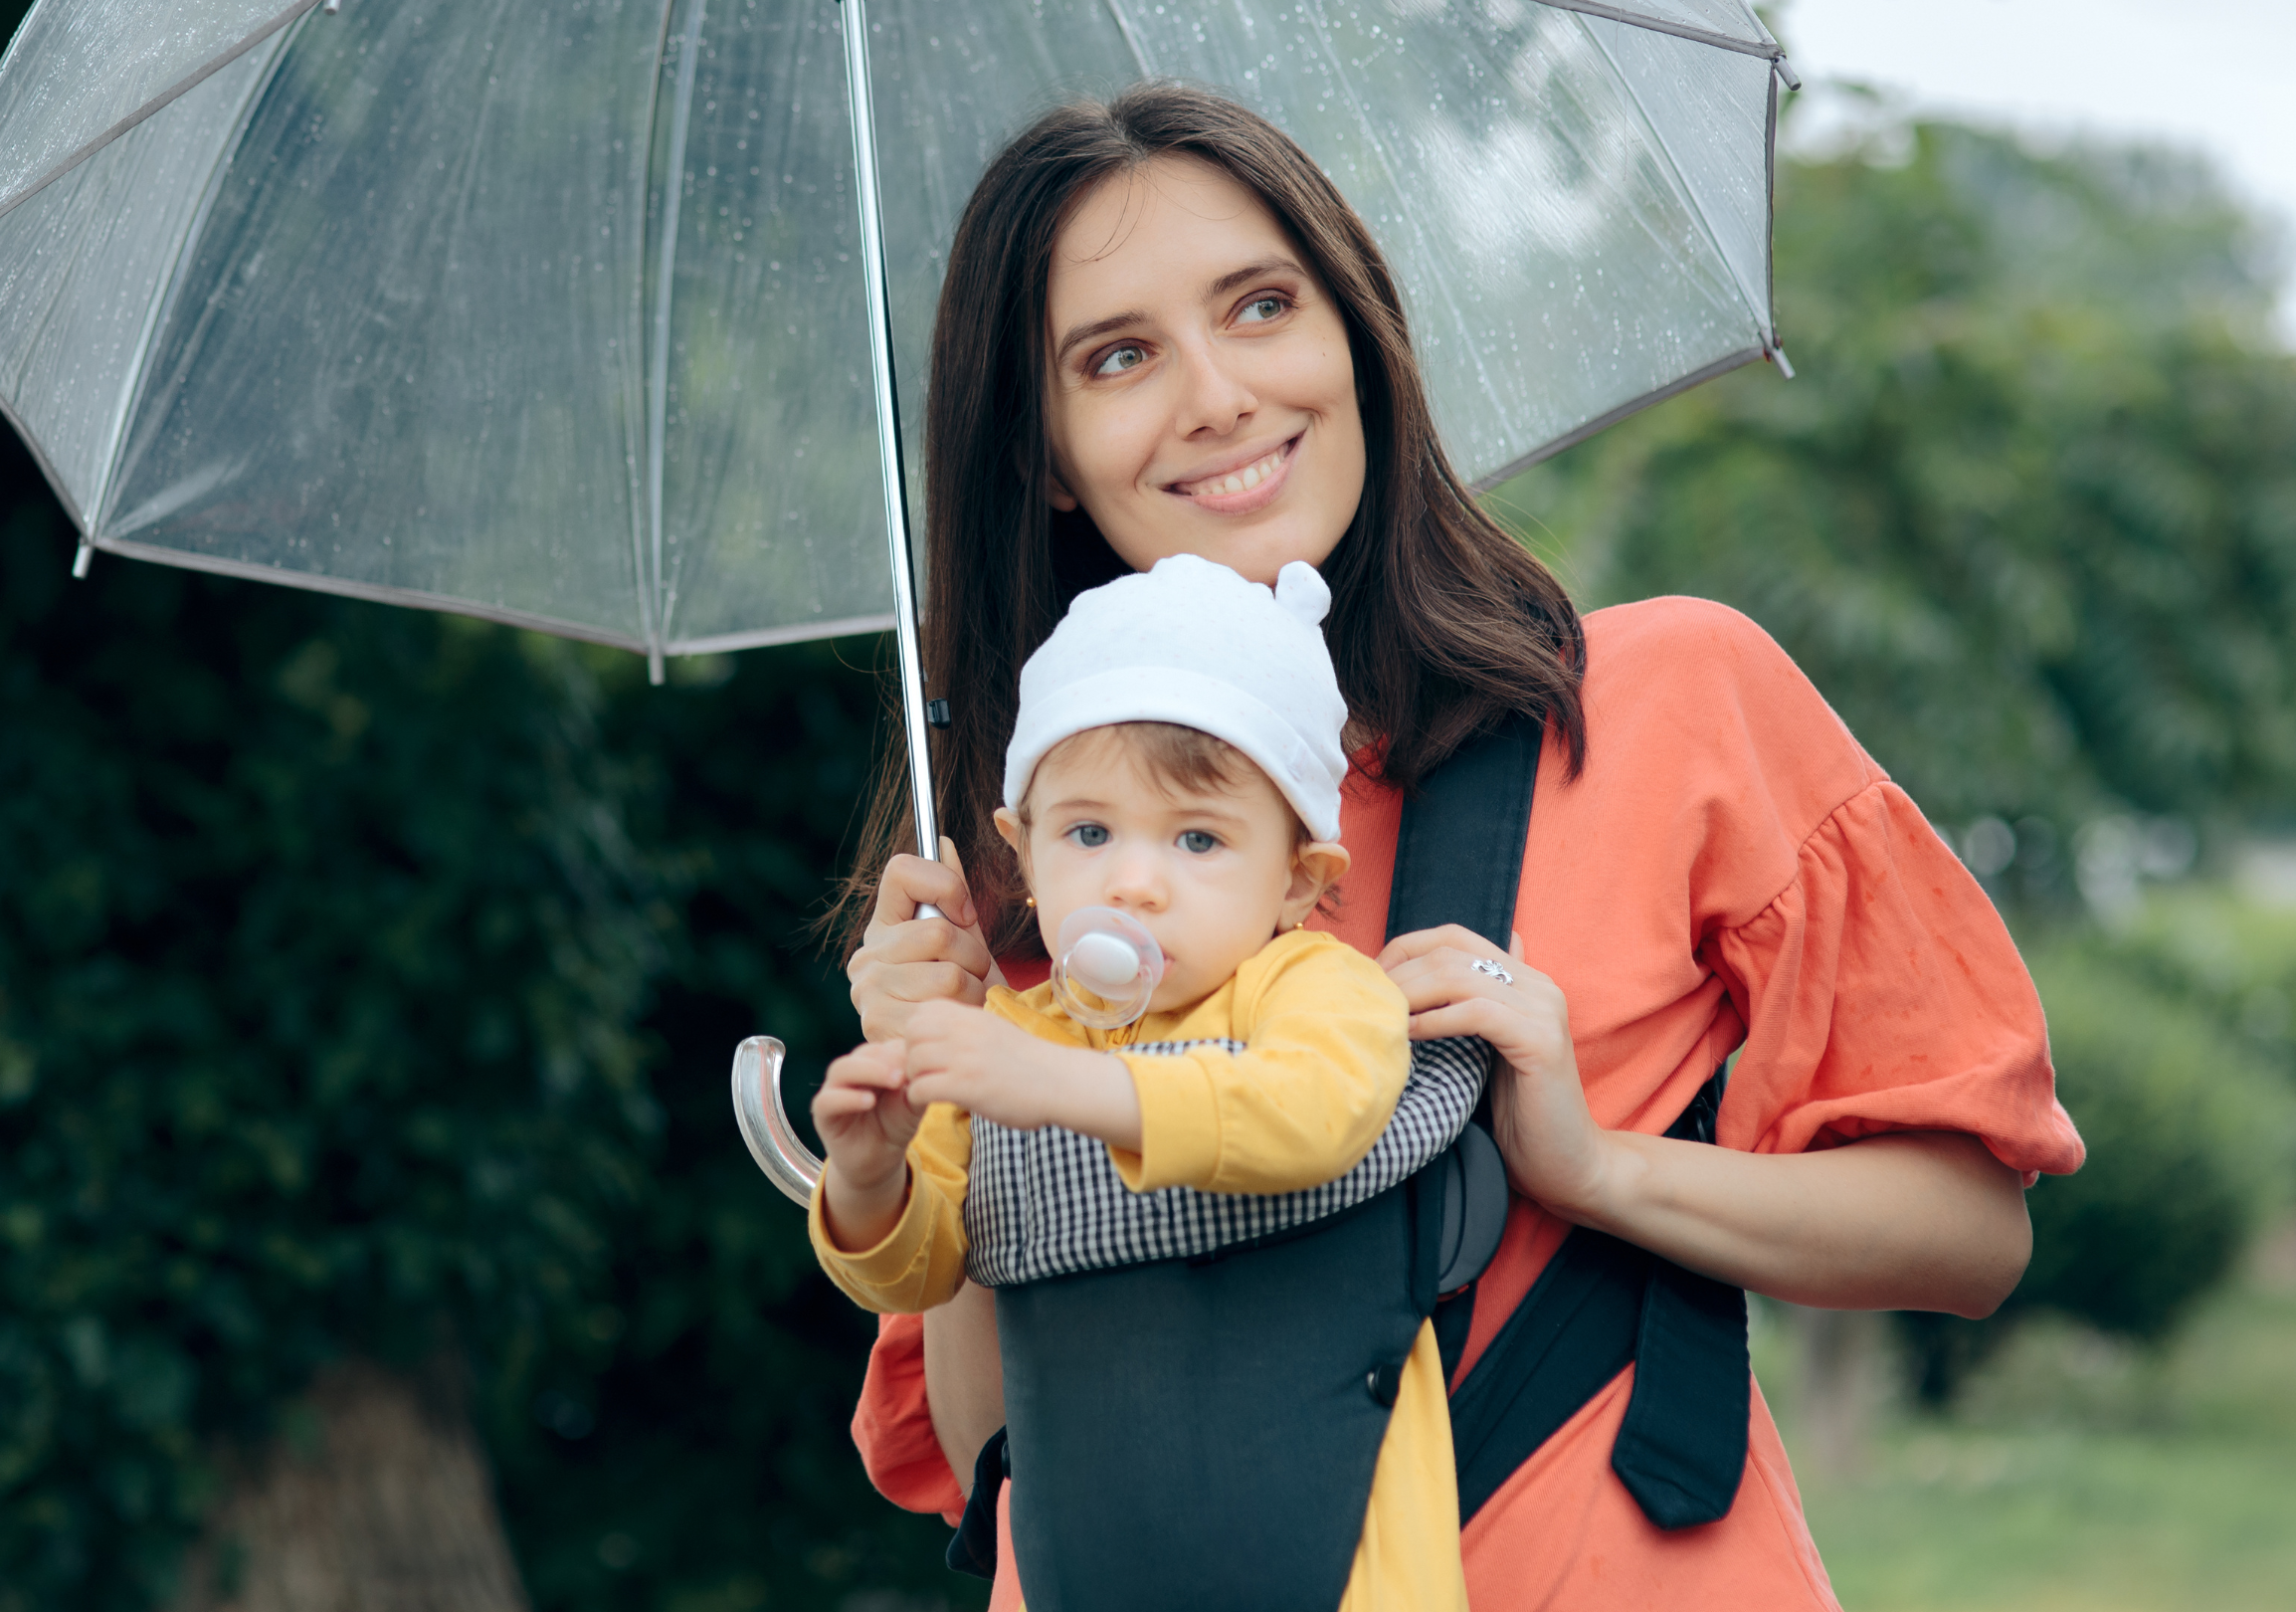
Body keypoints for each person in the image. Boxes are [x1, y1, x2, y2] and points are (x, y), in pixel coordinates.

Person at [834, 84, 2084, 1612]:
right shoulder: (1038, 874)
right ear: (1044, 453)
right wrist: (942, 1066)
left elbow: (1968, 1231)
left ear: (1355, 332)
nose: (1218, 393)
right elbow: (1003, 1458)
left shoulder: (1666, 702)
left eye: (1261, 304)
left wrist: (1597, 1171)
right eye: (1118, 356)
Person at [812, 553, 1475, 1611]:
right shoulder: (1006, 1042)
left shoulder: (1311, 989)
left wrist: (1056, 1089)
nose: (1133, 879)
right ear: (1023, 855)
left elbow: (1310, 1115)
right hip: (1096, 1539)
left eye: (1199, 839)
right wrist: (867, 1179)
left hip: (1337, 1542)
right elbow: (925, 1269)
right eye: (1087, 832)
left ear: (1299, 881)